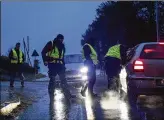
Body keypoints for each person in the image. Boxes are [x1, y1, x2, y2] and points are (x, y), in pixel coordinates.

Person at [41, 34, 72, 98]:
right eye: (60, 39)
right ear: (57, 38)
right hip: (52, 65)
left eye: (62, 39)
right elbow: (43, 52)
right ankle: (51, 94)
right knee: (52, 79)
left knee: (63, 80)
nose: (61, 40)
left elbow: (62, 57)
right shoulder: (51, 43)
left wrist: (63, 65)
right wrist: (45, 60)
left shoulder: (63, 46)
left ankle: (68, 95)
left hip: (60, 65)